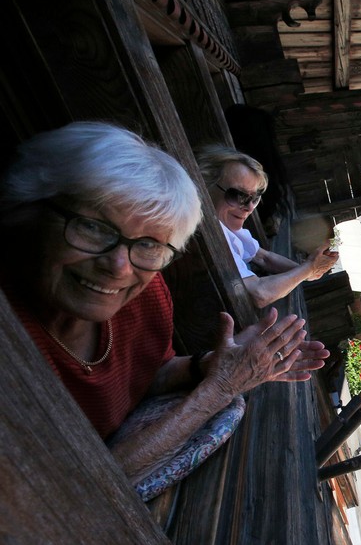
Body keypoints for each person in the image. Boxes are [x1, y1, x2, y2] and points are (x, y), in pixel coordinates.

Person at [0, 122, 327, 489]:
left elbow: (151, 372)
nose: (119, 267)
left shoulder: (147, 293)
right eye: (93, 227)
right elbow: (77, 490)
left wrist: (211, 364)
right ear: (26, 211)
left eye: (149, 245)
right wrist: (219, 388)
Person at [198, 146, 338, 308]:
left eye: (254, 198)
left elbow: (263, 258)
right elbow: (259, 294)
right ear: (206, 185)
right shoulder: (213, 231)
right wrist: (308, 268)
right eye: (238, 196)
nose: (250, 207)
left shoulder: (228, 225)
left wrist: (310, 271)